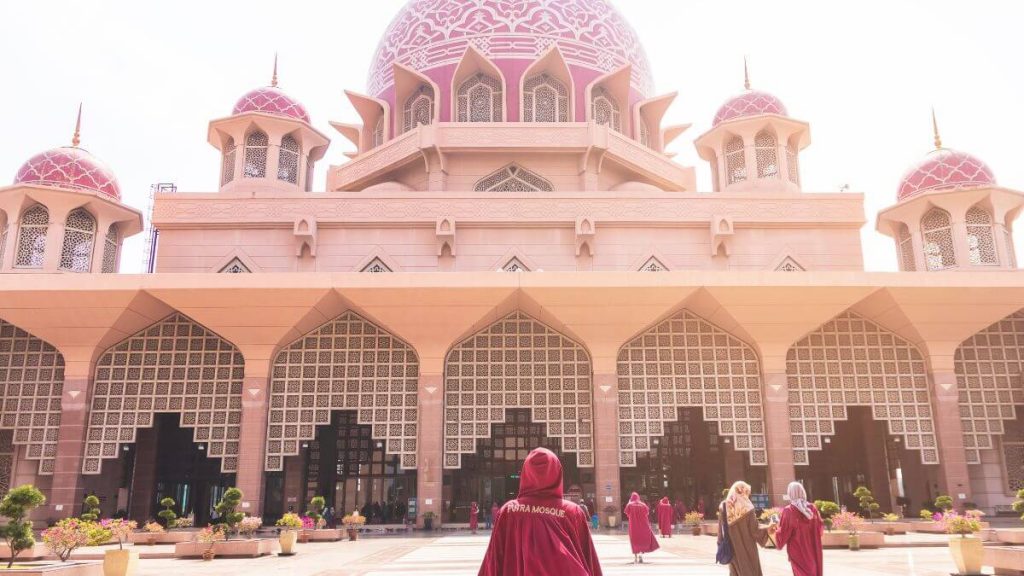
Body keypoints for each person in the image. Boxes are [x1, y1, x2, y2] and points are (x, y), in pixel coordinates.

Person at [478, 448, 602, 576]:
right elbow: (589, 561)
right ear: (557, 473)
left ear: (525, 474)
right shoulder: (572, 512)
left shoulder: (509, 512)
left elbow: (493, 562)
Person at [719, 481, 776, 576]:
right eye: (747, 493)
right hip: (748, 550)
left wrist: (720, 543)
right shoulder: (748, 508)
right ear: (742, 492)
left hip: (732, 550)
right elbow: (755, 531)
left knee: (735, 572)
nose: (748, 496)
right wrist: (768, 527)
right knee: (750, 571)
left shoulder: (724, 507)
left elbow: (720, 531)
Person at [774, 482, 823, 576]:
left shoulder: (789, 510)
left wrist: (776, 529)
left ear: (790, 493)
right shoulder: (812, 508)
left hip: (797, 550)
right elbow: (820, 528)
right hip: (813, 549)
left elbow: (783, 532)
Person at [624, 492, 659, 563]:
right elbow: (647, 513)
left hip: (633, 527)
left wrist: (629, 503)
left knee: (635, 542)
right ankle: (641, 556)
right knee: (641, 542)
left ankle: (636, 556)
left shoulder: (629, 505)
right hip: (643, 526)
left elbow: (627, 514)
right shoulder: (643, 505)